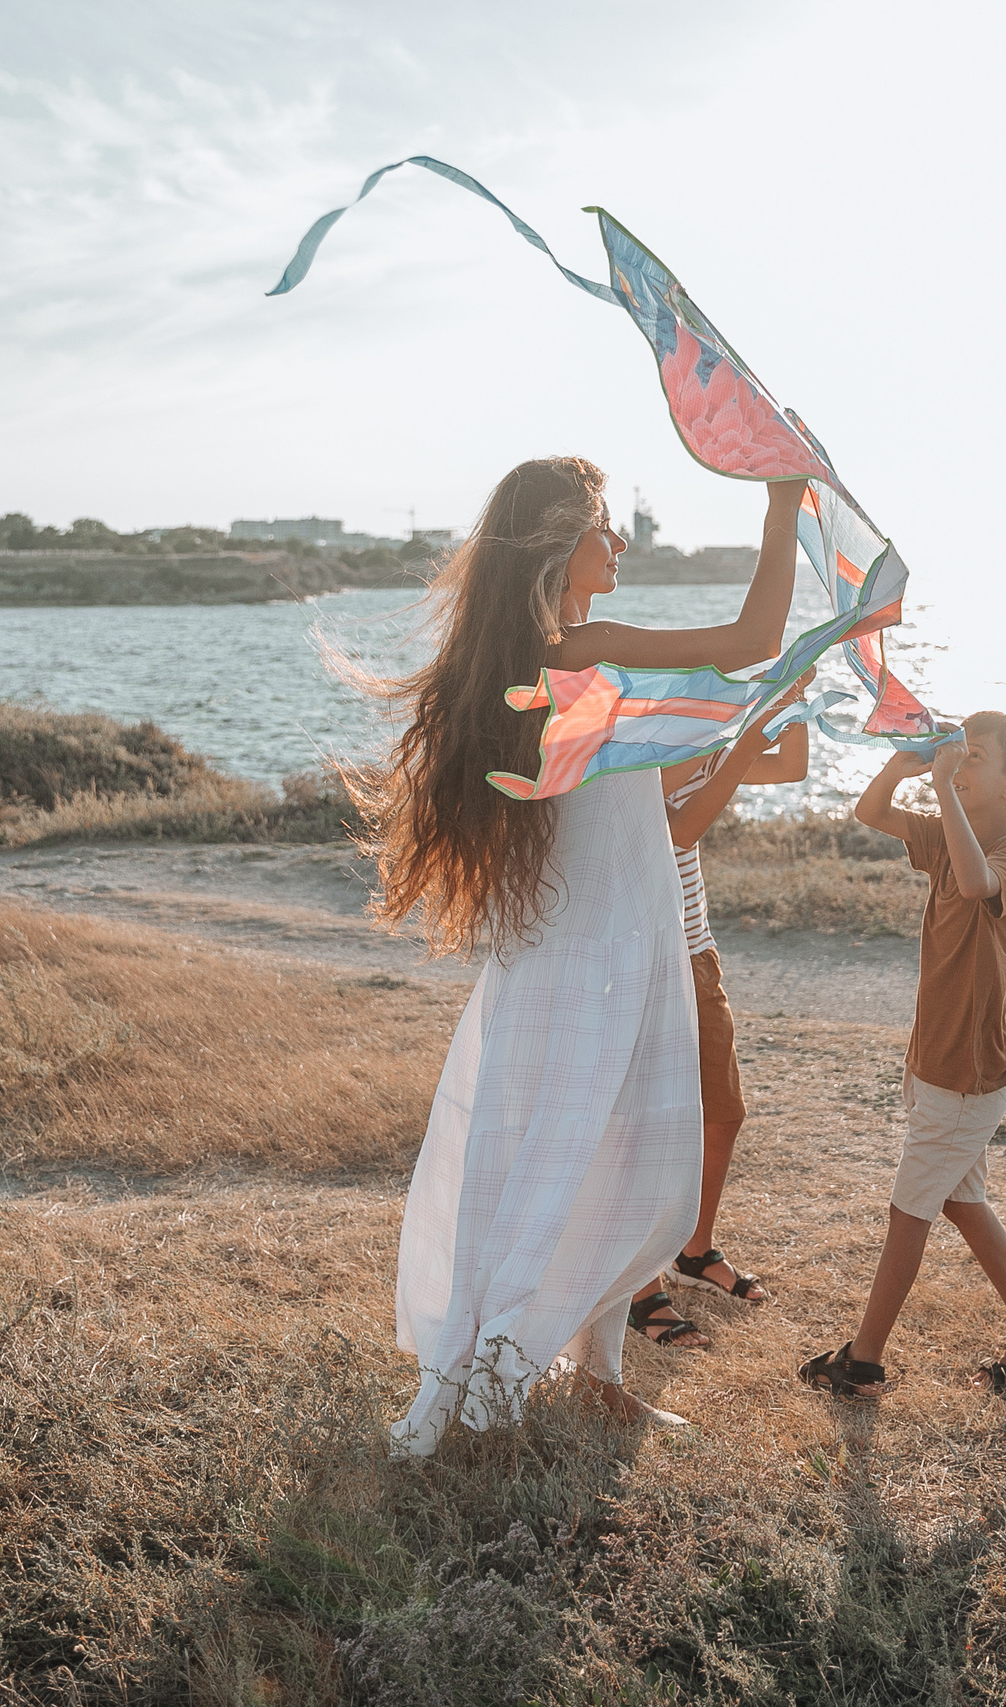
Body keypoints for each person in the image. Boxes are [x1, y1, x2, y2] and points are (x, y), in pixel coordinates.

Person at [353, 456, 808, 1454]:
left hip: (576, 957)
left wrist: (757, 722)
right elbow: (751, 639)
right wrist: (780, 508)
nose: (623, 543)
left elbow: (668, 816)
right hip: (602, 961)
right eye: (607, 525)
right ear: (561, 541)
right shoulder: (583, 649)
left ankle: (583, 1371)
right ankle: (507, 1365)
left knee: (563, 1157)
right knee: (597, 1158)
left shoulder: (547, 667)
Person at [797, 711, 1006, 1399]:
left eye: (976, 756)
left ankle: (862, 1360)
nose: (962, 763)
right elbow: (871, 809)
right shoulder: (948, 837)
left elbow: (980, 886)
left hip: (968, 1070)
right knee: (961, 1199)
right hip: (935, 1059)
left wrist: (945, 789)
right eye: (960, 752)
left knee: (910, 1208)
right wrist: (907, 764)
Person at [625, 681, 811, 1351]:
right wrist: (741, 729)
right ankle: (640, 1289)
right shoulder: (634, 768)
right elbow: (683, 825)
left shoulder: (696, 755)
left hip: (698, 957)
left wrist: (792, 705)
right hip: (648, 966)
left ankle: (694, 1251)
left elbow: (790, 767)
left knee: (722, 1112)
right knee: (653, 1132)